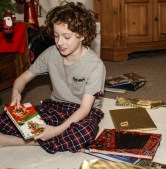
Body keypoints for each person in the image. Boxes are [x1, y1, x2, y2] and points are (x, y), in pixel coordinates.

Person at [0, 2, 106, 154]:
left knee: (85, 133)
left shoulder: (96, 66)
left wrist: (55, 131)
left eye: (66, 36)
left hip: (83, 111)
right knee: (6, 119)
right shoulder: (51, 53)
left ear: (82, 35)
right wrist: (16, 92)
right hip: (55, 106)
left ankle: (26, 142)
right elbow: (22, 79)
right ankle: (50, 141)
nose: (59, 42)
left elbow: (84, 109)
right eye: (56, 36)